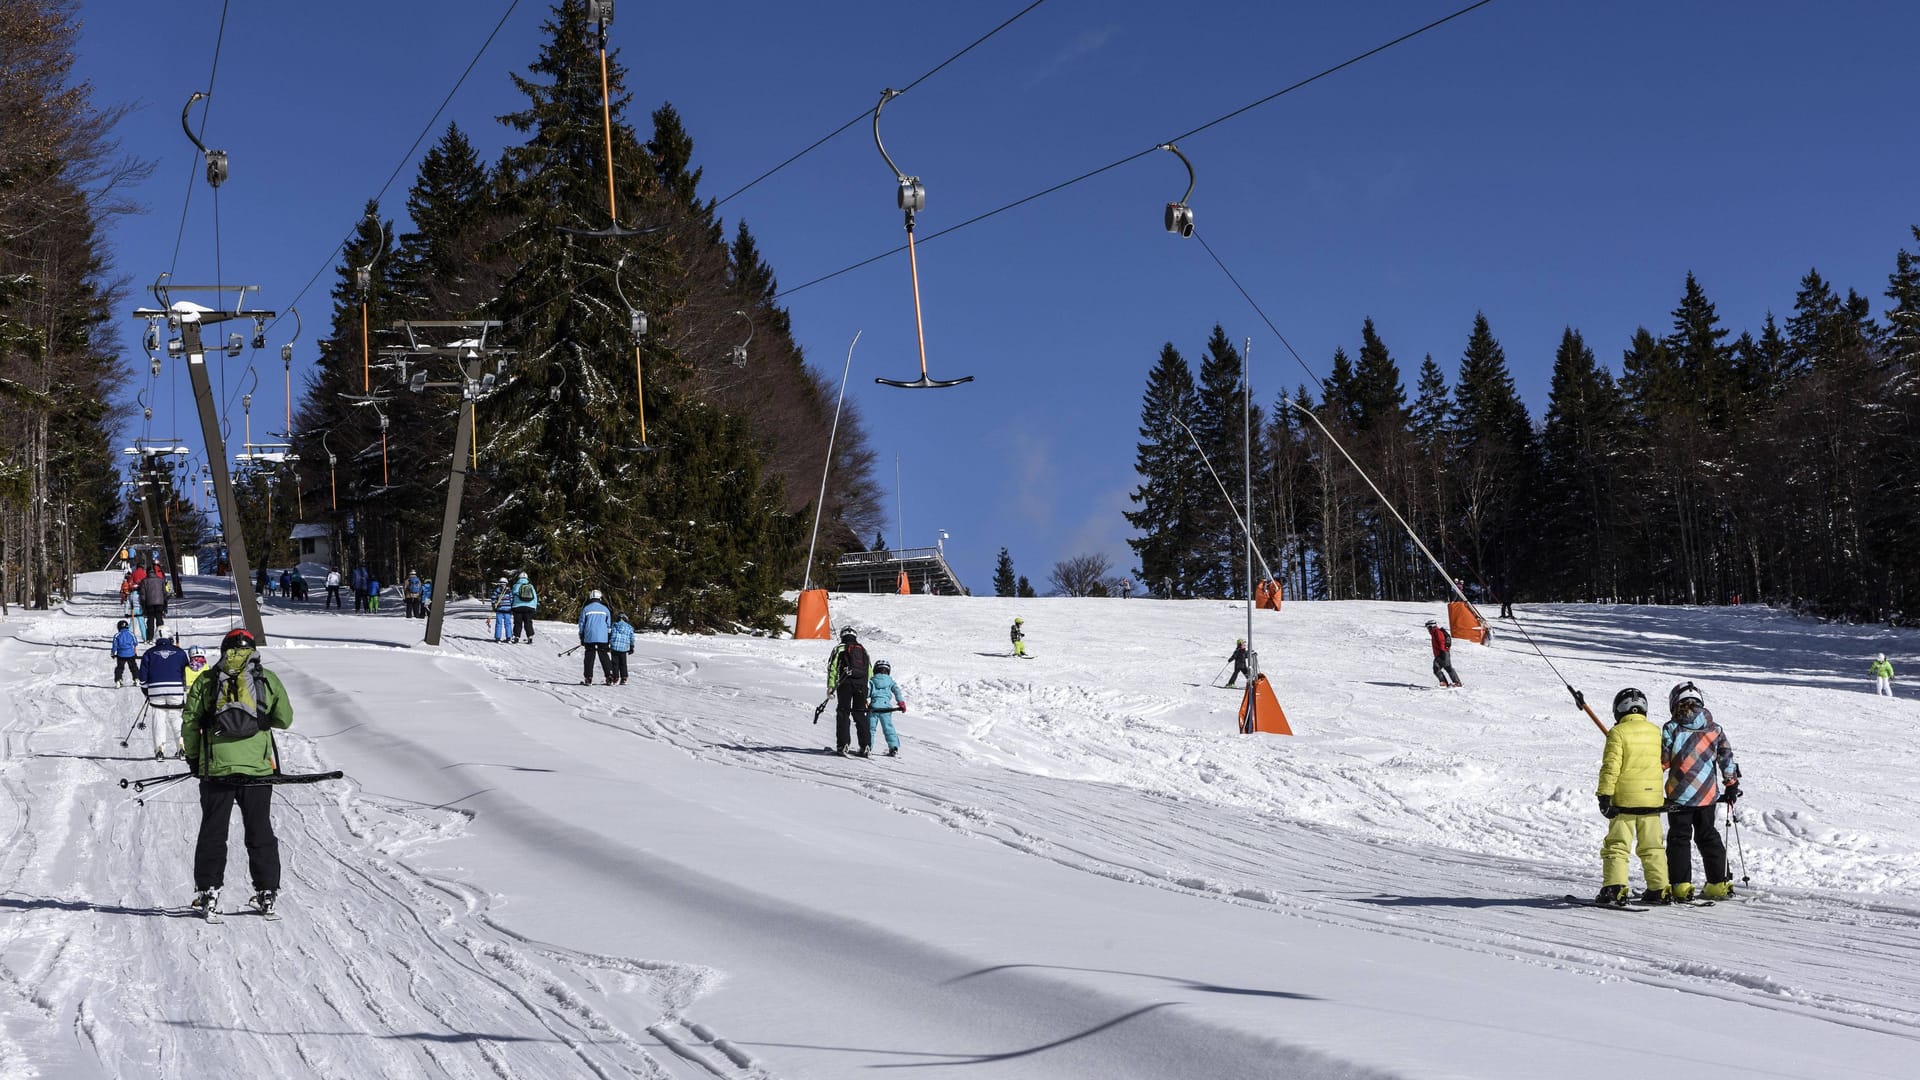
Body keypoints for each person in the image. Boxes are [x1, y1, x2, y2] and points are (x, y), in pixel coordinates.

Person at [181, 628, 294, 920]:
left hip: (216, 770)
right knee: (259, 830)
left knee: (213, 831)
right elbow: (285, 719)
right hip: (257, 769)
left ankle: (208, 892)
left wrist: (194, 760)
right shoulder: (266, 679)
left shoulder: (207, 680)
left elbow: (190, 724)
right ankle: (267, 891)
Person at [1661, 681, 1741, 902]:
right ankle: (1718, 882)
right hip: (1707, 795)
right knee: (1708, 836)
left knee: (1679, 838)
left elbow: (1664, 762)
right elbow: (1726, 757)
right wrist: (1731, 782)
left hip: (1680, 795)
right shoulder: (1714, 729)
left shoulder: (1671, 728)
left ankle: (1681, 885)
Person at [1595, 687, 1671, 906]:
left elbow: (1611, 767)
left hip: (1625, 802)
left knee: (1617, 845)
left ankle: (1615, 888)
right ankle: (1659, 889)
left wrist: (1604, 795)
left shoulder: (1617, 733)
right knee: (1653, 847)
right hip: (1652, 801)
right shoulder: (1655, 731)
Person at [138, 635, 190, 760]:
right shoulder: (180, 652)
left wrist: (147, 692)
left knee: (159, 720)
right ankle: (182, 747)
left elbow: (143, 678)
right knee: (177, 719)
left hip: (156, 691)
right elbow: (186, 672)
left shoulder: (149, 653)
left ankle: (159, 749)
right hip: (175, 690)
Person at [827, 629, 873, 756]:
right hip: (862, 686)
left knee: (843, 712)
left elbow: (832, 668)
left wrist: (831, 687)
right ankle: (866, 745)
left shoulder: (839, 648)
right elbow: (869, 671)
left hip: (845, 683)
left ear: (842, 636)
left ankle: (843, 744)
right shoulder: (863, 649)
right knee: (860, 714)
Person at [867, 658, 907, 757]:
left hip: (873, 708)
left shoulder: (872, 681)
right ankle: (893, 747)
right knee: (888, 728)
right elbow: (897, 691)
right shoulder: (890, 682)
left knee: (870, 729)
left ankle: (867, 747)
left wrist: (863, 700)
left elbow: (867, 693)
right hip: (886, 709)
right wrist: (901, 702)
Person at [1426, 620, 1462, 688]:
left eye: (1428, 627)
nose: (1427, 629)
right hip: (1443, 653)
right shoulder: (1434, 632)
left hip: (1442, 653)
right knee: (1448, 668)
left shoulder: (1437, 632)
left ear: (1431, 626)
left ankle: (1445, 683)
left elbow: (1441, 641)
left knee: (1436, 669)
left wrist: (1442, 652)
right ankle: (1456, 683)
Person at [138, 565, 169, 642]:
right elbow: (164, 593)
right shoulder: (161, 580)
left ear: (147, 572)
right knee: (159, 620)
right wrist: (165, 604)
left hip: (149, 604)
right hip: (160, 603)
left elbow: (142, 595)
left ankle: (150, 637)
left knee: (150, 620)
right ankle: (161, 636)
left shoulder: (144, 581)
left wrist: (143, 605)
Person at [509, 571, 538, 643]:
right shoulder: (531, 586)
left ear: (519, 578)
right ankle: (530, 637)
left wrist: (511, 606)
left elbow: (511, 597)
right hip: (529, 607)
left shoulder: (515, 586)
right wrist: (534, 607)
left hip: (517, 607)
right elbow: (535, 597)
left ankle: (516, 637)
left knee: (518, 623)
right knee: (528, 622)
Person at [608, 612, 635, 684]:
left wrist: (608, 644)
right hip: (624, 648)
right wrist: (631, 647)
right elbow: (632, 638)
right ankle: (624, 678)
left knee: (615, 663)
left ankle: (615, 677)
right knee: (623, 663)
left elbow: (610, 635)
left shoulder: (614, 625)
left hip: (614, 647)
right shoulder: (629, 627)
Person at [110, 620, 139, 687]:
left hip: (121, 655)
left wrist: (113, 653)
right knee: (133, 667)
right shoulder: (131, 633)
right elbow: (135, 643)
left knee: (119, 668)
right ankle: (136, 678)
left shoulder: (117, 635)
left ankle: (118, 680)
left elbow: (114, 646)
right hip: (131, 654)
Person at [490, 577, 514, 642]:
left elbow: (493, 599)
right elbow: (511, 600)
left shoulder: (497, 590)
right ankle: (509, 637)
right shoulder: (509, 591)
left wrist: (494, 605)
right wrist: (511, 606)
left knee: (498, 623)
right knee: (508, 623)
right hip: (507, 610)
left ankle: (498, 637)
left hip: (499, 610)